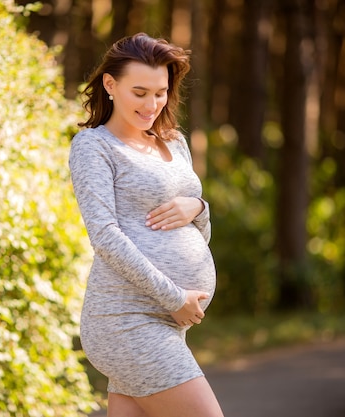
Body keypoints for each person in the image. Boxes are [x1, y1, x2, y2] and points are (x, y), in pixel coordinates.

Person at [69, 33, 224, 417]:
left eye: (160, 92)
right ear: (110, 85)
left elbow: (197, 235)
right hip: (125, 320)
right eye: (139, 92)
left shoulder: (175, 142)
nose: (152, 104)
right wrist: (175, 298)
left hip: (169, 322)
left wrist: (198, 207)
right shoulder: (94, 146)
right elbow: (104, 237)